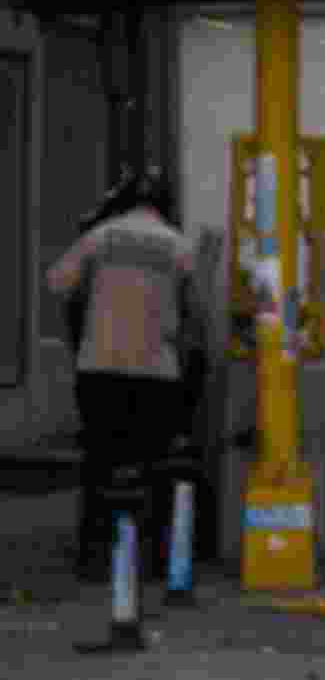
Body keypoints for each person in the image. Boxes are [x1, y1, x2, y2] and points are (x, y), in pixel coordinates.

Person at [47, 168, 206, 582]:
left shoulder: (101, 237)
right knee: (154, 464)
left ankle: (94, 555)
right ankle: (151, 559)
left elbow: (58, 282)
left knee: (100, 460)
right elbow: (196, 317)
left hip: (100, 368)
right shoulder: (178, 247)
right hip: (156, 370)